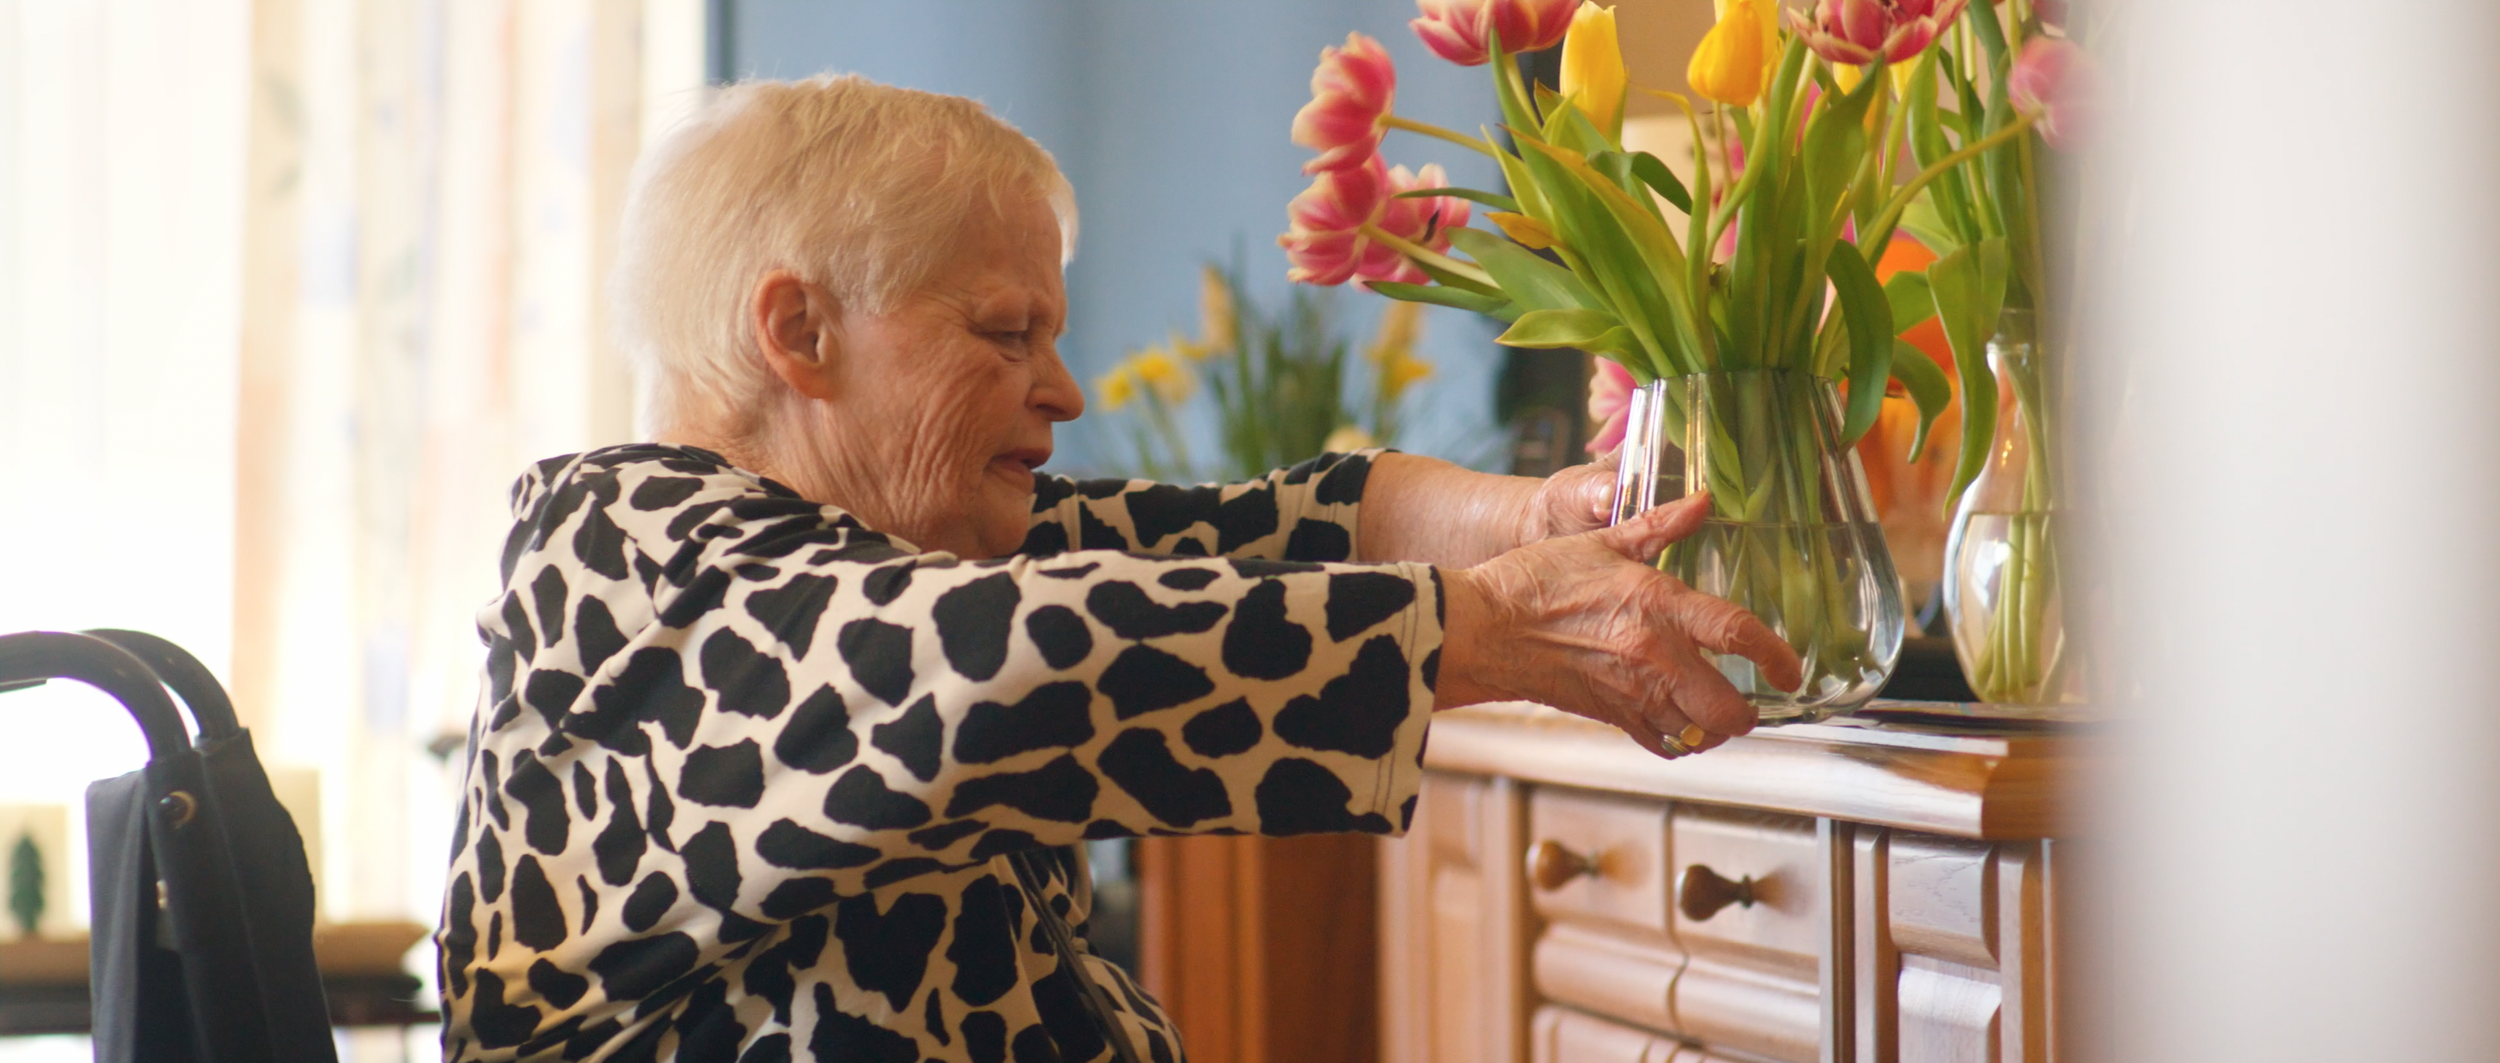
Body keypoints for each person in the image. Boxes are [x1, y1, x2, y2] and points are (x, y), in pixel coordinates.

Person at [435, 75, 1801, 1063]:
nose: (1066, 388)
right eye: (1006, 332)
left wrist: (1541, 517)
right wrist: (1494, 628)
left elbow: (1287, 528)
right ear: (799, 328)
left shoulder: (887, 555)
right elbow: (1002, 670)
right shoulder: (623, 567)